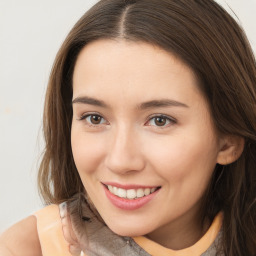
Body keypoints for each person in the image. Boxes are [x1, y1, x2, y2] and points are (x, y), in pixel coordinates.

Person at [0, 0, 255, 255]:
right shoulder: (27, 249)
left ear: (228, 140)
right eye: (95, 118)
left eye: (159, 120)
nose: (121, 161)